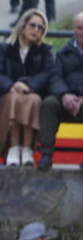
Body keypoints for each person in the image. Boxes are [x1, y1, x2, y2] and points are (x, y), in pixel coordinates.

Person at [0, 9, 54, 167]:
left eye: (41, 28)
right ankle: (13, 147)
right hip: (7, 94)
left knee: (33, 100)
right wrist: (11, 85)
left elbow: (48, 73)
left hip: (33, 92)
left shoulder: (45, 50)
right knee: (13, 99)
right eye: (33, 25)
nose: (36, 30)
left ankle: (27, 149)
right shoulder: (5, 48)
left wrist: (29, 85)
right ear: (23, 26)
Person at [37, 11, 83, 171]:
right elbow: (55, 77)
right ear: (73, 30)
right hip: (66, 98)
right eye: (79, 28)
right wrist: (64, 95)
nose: (82, 32)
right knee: (49, 103)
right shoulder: (63, 52)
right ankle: (46, 155)